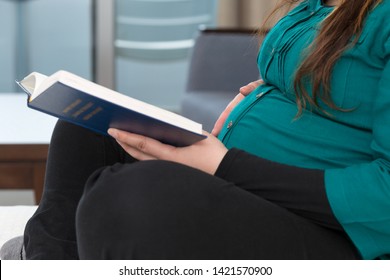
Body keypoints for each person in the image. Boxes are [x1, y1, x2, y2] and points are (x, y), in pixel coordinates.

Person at [24, 0, 390, 260]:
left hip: (334, 233)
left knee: (123, 199)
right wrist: (275, 88)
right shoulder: (321, 5)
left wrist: (222, 165)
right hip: (249, 185)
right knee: (90, 130)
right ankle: (47, 262)